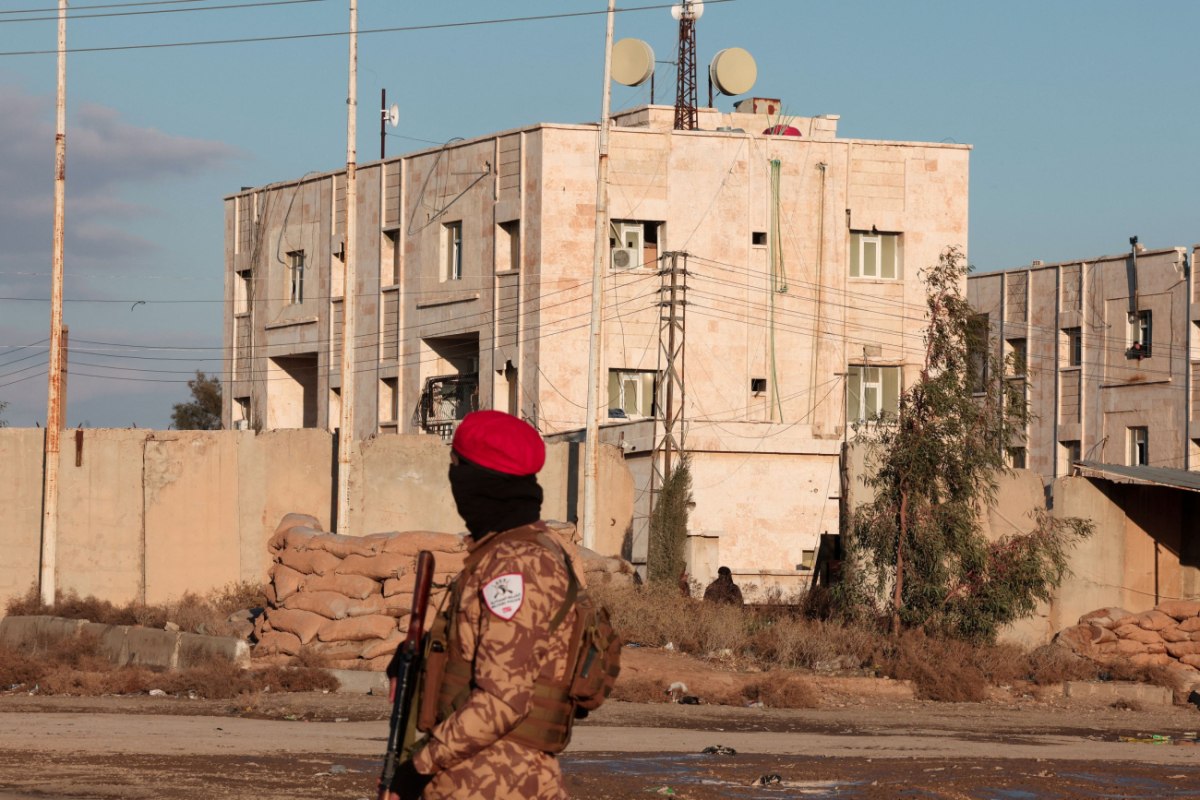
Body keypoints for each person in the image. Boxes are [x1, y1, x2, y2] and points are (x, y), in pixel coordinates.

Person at [390, 410, 575, 800]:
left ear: (480, 480)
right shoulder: (505, 553)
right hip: (479, 776)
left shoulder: (516, 565)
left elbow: (503, 698)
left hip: (495, 781)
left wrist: (419, 766)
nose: (453, 479)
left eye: (457, 467)